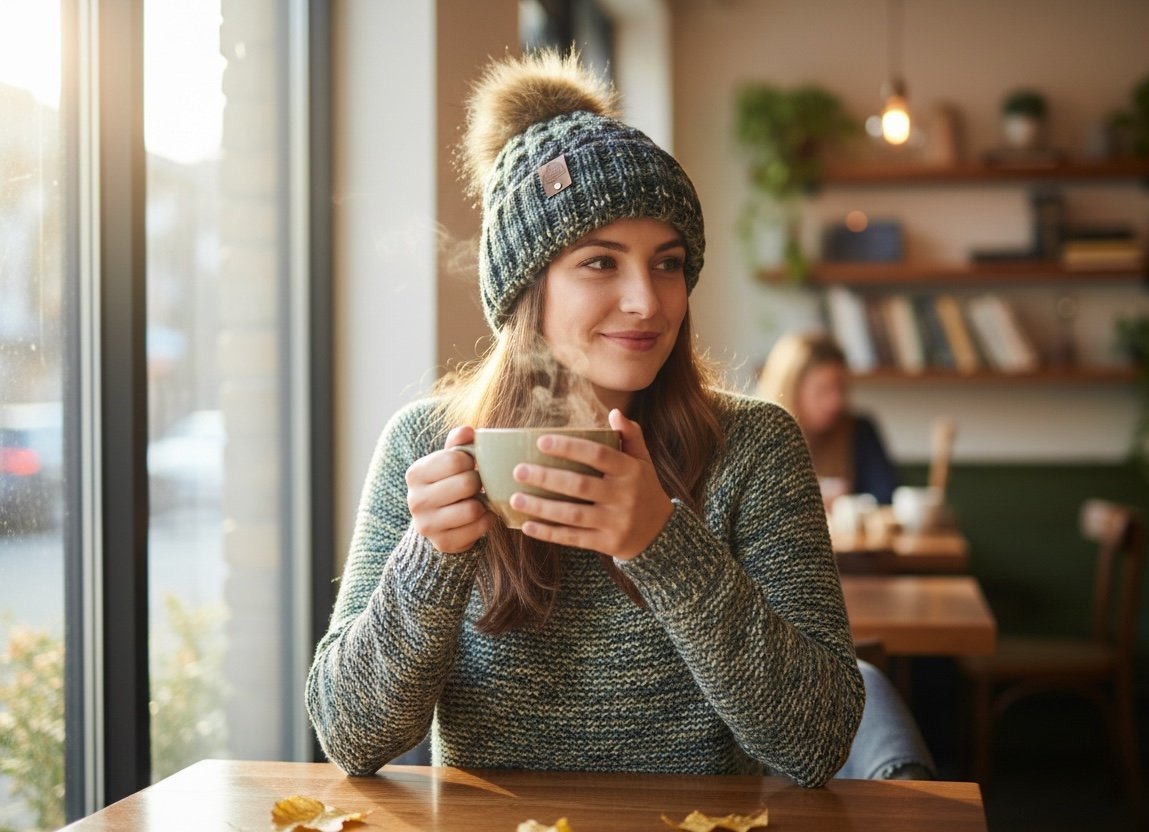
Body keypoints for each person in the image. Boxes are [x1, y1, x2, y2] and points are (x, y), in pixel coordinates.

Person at [305, 50, 864, 788]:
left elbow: (817, 741)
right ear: (526, 289)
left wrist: (661, 544)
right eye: (601, 262)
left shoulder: (754, 447)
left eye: (668, 263)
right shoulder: (425, 442)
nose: (647, 301)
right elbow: (350, 738)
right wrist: (429, 559)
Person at [756, 332, 899, 505]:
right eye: (822, 390)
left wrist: (846, 502)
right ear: (791, 390)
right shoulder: (760, 437)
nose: (835, 402)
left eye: (840, 388)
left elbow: (886, 494)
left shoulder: (858, 429)